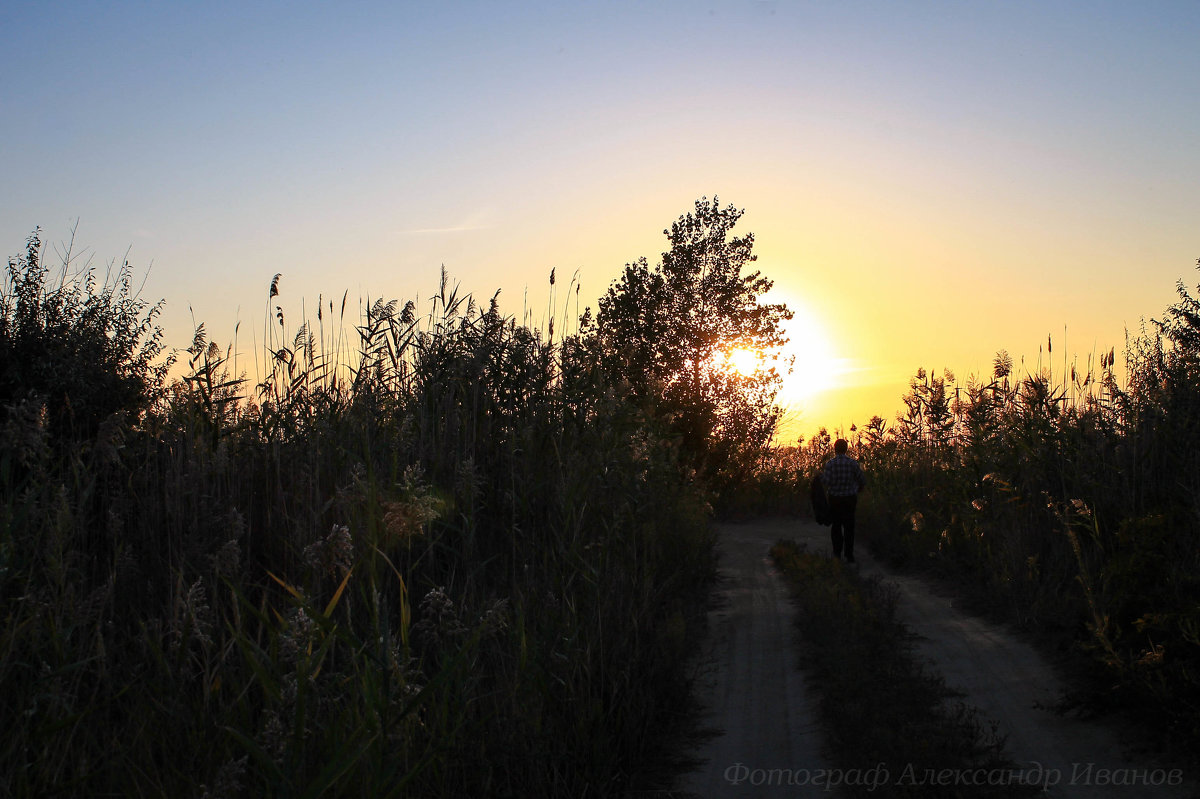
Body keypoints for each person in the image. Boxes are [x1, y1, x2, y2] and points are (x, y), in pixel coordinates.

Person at [821, 438, 866, 562]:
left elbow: (826, 481)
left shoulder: (830, 464)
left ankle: (837, 554)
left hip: (835, 499)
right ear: (846, 449)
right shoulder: (853, 463)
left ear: (835, 449)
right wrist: (858, 488)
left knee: (836, 527)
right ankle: (849, 555)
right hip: (849, 499)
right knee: (849, 527)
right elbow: (862, 479)